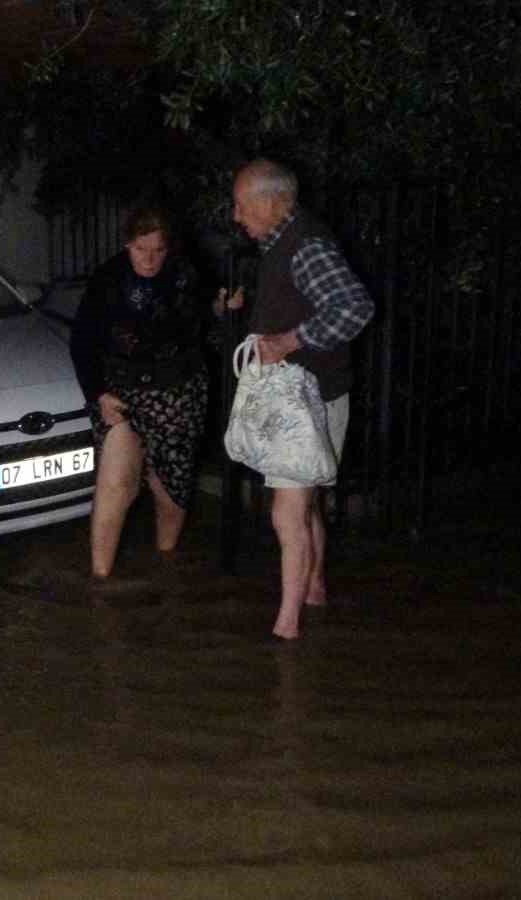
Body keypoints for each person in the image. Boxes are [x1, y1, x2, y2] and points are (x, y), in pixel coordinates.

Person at [220, 159, 375, 639]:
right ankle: (313, 589)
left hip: (306, 402)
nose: (236, 215)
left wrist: (289, 340)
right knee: (303, 505)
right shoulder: (282, 245)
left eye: (242, 204)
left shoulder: (304, 245)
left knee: (286, 511)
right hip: (315, 397)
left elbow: (355, 306)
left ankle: (286, 629)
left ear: (270, 202)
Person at [70, 205, 222, 580]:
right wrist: (99, 394)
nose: (150, 259)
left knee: (169, 481)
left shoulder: (186, 273)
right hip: (119, 391)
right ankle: (100, 579)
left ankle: (166, 560)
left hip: (177, 391)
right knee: (115, 481)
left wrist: (222, 307)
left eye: (158, 250)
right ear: (127, 244)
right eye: (142, 250)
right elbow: (82, 342)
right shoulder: (108, 279)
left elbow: (205, 321)